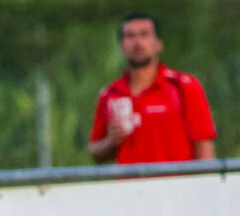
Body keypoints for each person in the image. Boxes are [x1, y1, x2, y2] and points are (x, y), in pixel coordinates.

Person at [88, 12, 216, 164]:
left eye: (144, 34)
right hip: (129, 186)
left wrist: (205, 185)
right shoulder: (110, 94)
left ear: (158, 44)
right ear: (122, 45)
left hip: (176, 186)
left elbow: (204, 149)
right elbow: (95, 153)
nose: (138, 42)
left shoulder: (183, 86)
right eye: (130, 36)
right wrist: (111, 141)